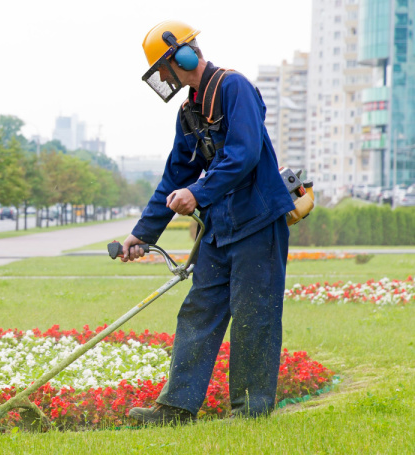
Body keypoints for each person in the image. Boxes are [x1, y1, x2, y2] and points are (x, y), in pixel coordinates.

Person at [122, 20, 296, 424]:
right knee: (198, 313)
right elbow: (175, 176)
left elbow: (244, 153)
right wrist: (141, 234)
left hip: (257, 224)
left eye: (162, 68)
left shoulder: (234, 88)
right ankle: (176, 408)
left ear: (181, 55)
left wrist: (198, 194)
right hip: (219, 231)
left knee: (254, 317)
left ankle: (251, 412)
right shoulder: (189, 110)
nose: (162, 78)